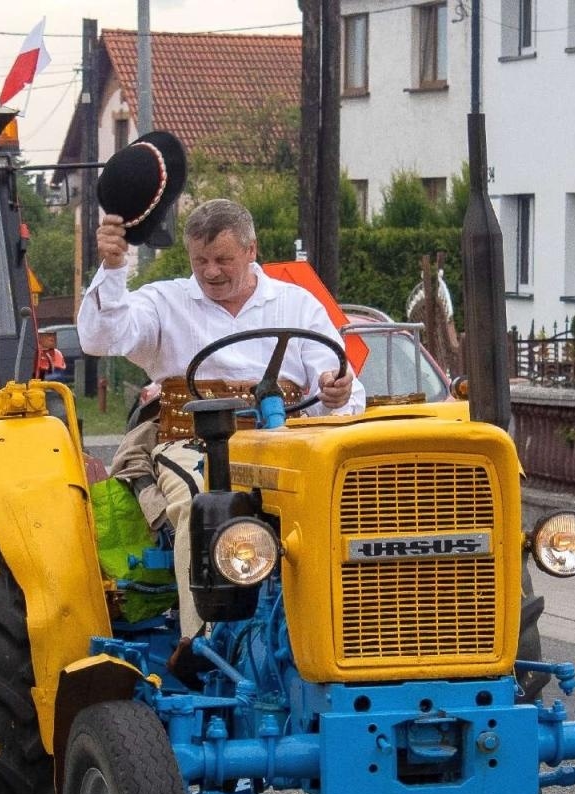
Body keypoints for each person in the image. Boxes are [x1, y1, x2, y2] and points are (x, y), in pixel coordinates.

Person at [78, 198, 364, 673]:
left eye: (223, 260)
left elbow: (340, 385)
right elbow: (102, 338)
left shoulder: (296, 304)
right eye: (200, 261)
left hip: (284, 441)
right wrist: (112, 269)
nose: (210, 272)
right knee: (202, 500)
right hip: (190, 439)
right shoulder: (164, 302)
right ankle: (208, 642)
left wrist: (336, 394)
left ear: (252, 251)